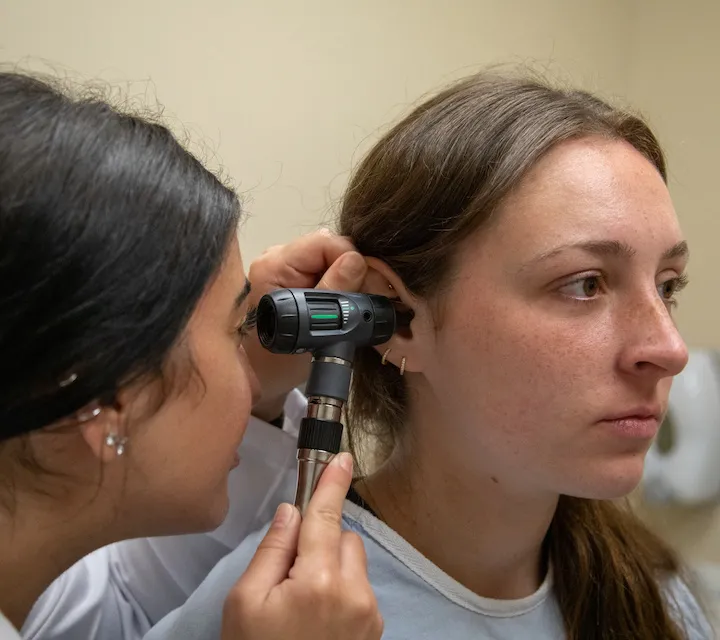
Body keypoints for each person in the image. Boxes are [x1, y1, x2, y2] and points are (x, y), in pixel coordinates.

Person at [141, 71, 716, 640]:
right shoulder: (271, 616)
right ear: (402, 318)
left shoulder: (656, 599)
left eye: (668, 285)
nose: (668, 349)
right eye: (585, 284)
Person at [0, 70, 383, 640]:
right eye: (234, 330)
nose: (250, 379)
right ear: (103, 398)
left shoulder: (38, 584)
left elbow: (125, 611)